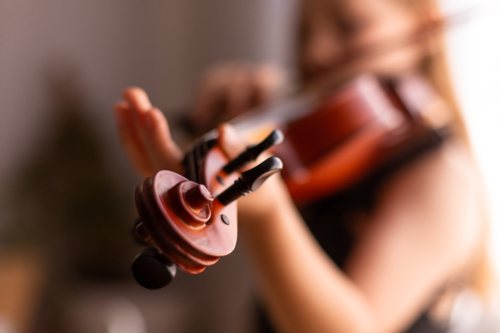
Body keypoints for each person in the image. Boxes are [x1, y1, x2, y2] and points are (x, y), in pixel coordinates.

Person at [113, 0, 496, 332]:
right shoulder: (322, 149)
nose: (317, 53)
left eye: (348, 25)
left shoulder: (444, 177)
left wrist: (267, 213)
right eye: (303, 32)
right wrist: (208, 142)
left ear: (424, 25)